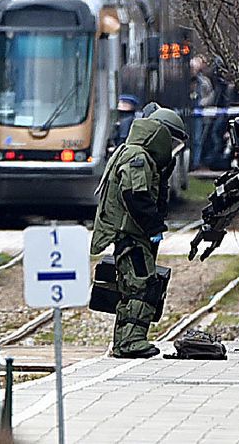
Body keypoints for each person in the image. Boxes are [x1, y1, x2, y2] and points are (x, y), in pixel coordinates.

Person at [91, 106, 188, 358]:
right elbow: (136, 195)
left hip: (133, 235)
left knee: (131, 286)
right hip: (132, 235)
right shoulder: (138, 157)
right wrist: (154, 226)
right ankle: (131, 342)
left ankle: (125, 341)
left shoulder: (138, 154)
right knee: (140, 286)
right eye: (173, 142)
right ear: (161, 135)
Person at [189, 56, 214, 169]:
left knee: (198, 139)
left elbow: (211, 95)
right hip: (187, 113)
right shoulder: (184, 82)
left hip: (200, 115)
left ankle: (196, 162)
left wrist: (203, 103)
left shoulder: (204, 82)